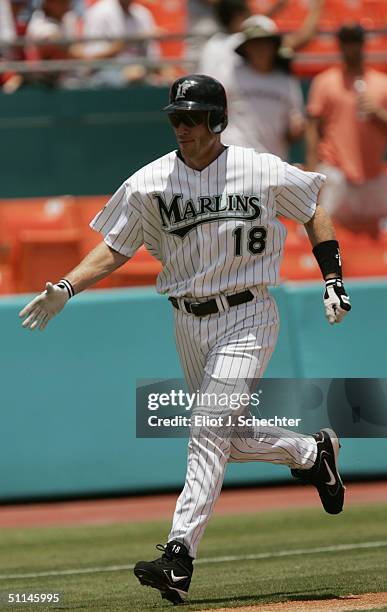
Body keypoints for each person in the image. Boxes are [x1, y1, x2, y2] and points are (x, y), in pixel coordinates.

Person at [19, 74, 351, 605]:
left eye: (193, 117)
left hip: (248, 313)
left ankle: (179, 556)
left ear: (216, 120)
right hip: (188, 320)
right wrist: (66, 286)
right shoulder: (150, 182)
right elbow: (115, 246)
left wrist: (333, 277)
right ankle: (311, 453)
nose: (183, 127)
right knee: (225, 436)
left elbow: (312, 206)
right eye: (176, 118)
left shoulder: (259, 167)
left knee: (206, 429)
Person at [200, 1, 324, 159]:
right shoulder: (229, 73)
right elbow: (211, 112)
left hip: (272, 162)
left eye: (265, 43)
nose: (260, 49)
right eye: (255, 44)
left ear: (273, 47)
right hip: (235, 158)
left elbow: (294, 126)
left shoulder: (286, 80)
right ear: (246, 48)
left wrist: (295, 131)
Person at [306, 23, 387, 236]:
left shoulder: (382, 83)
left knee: (376, 239)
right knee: (323, 234)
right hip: (335, 170)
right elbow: (313, 129)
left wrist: (378, 112)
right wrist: (312, 172)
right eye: (346, 42)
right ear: (340, 46)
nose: (351, 47)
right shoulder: (325, 81)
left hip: (373, 174)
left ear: (363, 44)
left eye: (355, 42)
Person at [77, 0, 160, 86]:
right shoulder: (99, 12)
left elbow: (153, 58)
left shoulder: (143, 13)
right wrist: (129, 42)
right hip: (106, 73)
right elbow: (91, 61)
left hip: (141, 72)